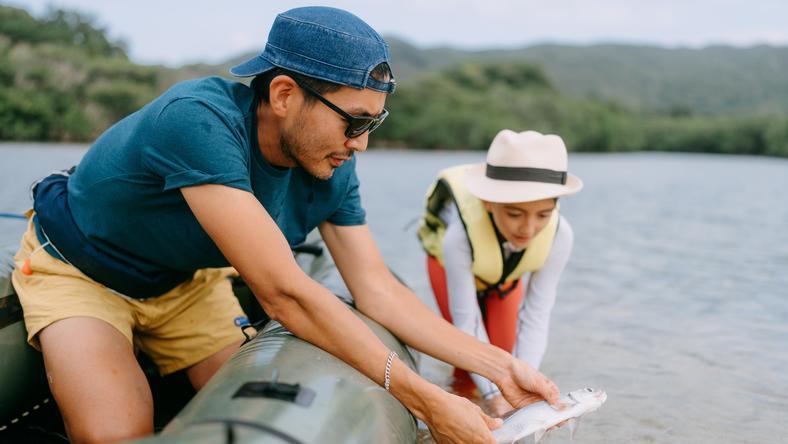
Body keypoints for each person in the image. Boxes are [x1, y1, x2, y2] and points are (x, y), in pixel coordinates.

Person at [12, 7, 559, 443]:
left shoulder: (332, 165)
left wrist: (501, 367)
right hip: (82, 272)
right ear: (283, 95)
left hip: (187, 283)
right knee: (117, 434)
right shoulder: (198, 121)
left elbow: (377, 289)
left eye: (374, 122)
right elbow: (283, 294)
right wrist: (429, 401)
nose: (361, 144)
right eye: (355, 122)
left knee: (261, 413)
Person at [418, 129, 583, 416]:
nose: (528, 229)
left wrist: (523, 389)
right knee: (469, 368)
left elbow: (537, 314)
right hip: (447, 268)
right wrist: (495, 395)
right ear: (489, 202)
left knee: (506, 359)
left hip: (504, 278)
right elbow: (466, 321)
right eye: (515, 214)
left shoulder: (561, 235)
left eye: (543, 215)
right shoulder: (459, 236)